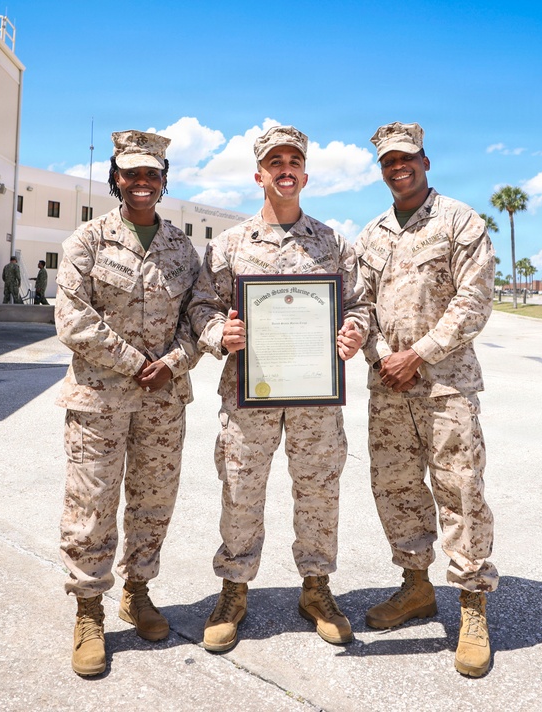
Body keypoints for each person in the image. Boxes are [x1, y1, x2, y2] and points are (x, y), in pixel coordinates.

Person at [188, 125, 369, 653]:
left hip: (316, 395)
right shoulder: (230, 245)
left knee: (319, 490)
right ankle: (233, 590)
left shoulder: (332, 243)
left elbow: (359, 303)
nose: (285, 170)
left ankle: (316, 588)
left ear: (305, 175)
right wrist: (219, 333)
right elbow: (201, 305)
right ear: (259, 175)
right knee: (240, 489)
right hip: (250, 393)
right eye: (275, 162)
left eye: (293, 162)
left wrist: (354, 330)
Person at [54, 130, 201, 677]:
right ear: (116, 178)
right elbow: (72, 319)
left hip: (163, 402)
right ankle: (89, 610)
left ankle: (137, 592)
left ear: (164, 180)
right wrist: (136, 362)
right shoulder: (88, 240)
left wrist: (175, 362)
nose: (142, 182)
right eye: (132, 173)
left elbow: (199, 317)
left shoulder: (181, 249)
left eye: (152, 174)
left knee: (153, 501)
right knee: (91, 504)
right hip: (100, 400)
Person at [354, 122, 499, 677]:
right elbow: (359, 307)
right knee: (395, 488)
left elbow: (474, 302)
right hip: (388, 388)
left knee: (460, 490)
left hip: (445, 386)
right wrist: (376, 356)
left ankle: (472, 605)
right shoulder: (371, 236)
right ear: (382, 169)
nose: (399, 168)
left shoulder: (460, 221)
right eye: (389, 161)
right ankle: (416, 587)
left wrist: (417, 354)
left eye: (407, 158)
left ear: (425, 161)